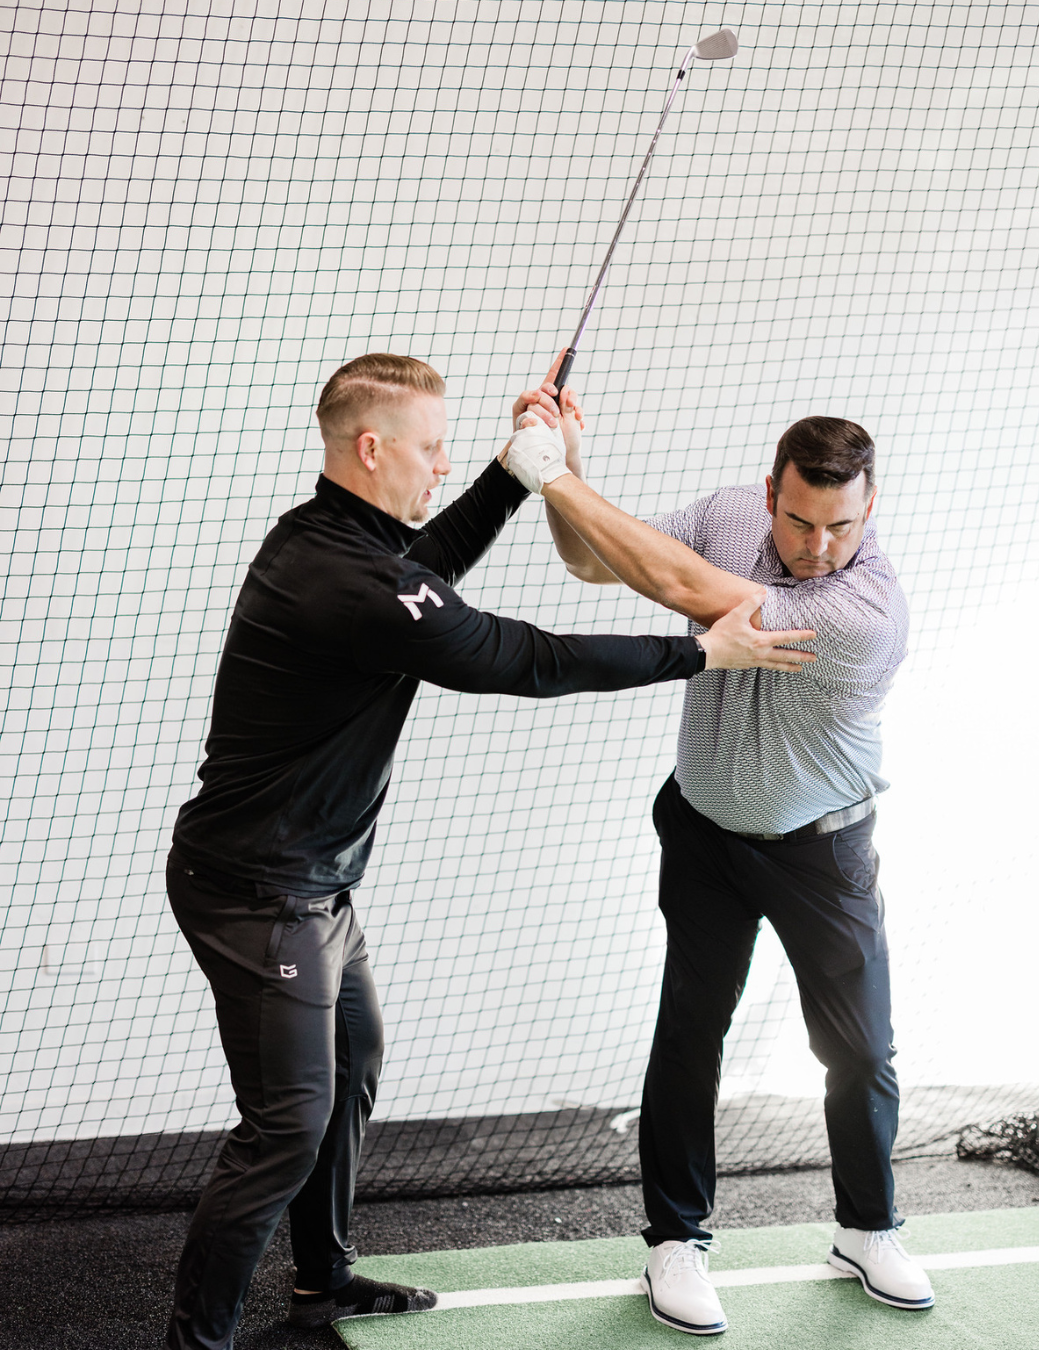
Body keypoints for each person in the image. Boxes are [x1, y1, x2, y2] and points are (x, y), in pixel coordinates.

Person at [164, 352, 816, 1350]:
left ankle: (321, 1282)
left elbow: (423, 575)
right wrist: (697, 651)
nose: (442, 463)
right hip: (257, 895)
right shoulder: (345, 576)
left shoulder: (336, 539)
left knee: (352, 1064)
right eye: (430, 447)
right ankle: (195, 1341)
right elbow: (523, 658)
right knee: (287, 1125)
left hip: (311, 887)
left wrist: (517, 471)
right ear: (371, 447)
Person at [508, 377, 933, 1335]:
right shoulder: (728, 514)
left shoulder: (866, 612)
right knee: (690, 1033)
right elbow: (594, 563)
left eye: (841, 525)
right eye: (799, 520)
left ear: (871, 507)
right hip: (703, 832)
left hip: (821, 851)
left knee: (861, 1049)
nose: (817, 546)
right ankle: (675, 1241)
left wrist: (549, 478)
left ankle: (868, 1230)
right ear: (770, 491)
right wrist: (567, 466)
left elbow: (681, 588)